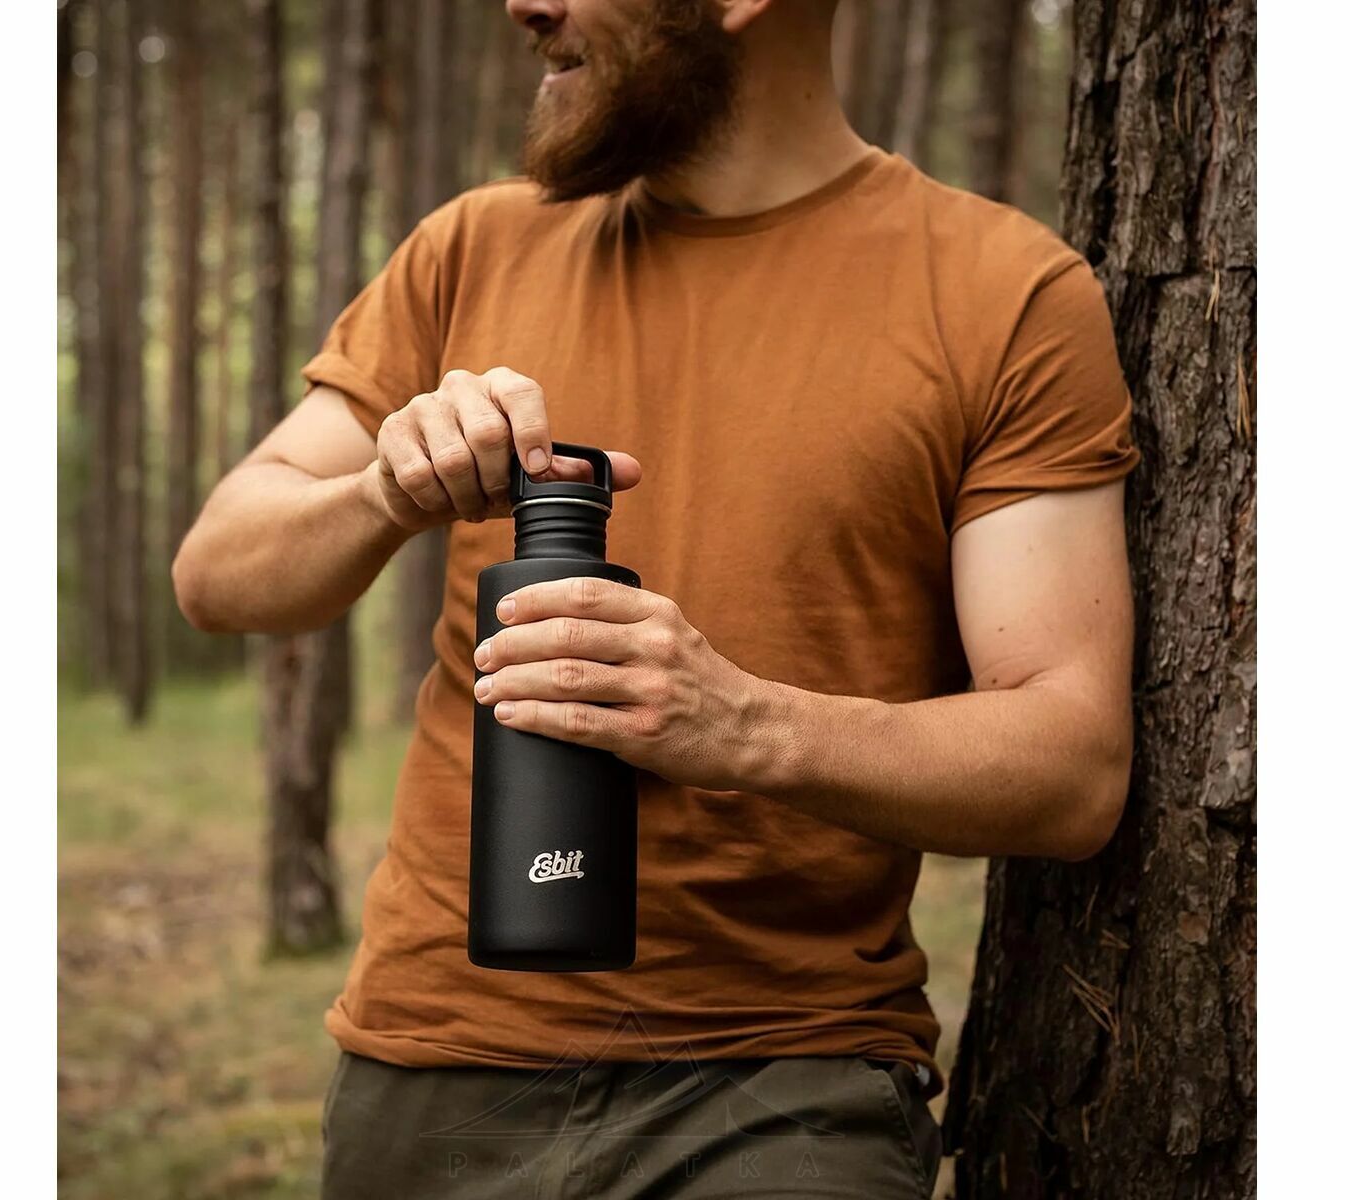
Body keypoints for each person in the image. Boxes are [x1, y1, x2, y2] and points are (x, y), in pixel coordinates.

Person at [172, 0, 1139, 1194]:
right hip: (435, 1067)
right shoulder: (472, 249)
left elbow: (1072, 766)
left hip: (782, 1088)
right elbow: (217, 571)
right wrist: (383, 490)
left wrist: (743, 725)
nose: (526, 4)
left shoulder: (1004, 294)